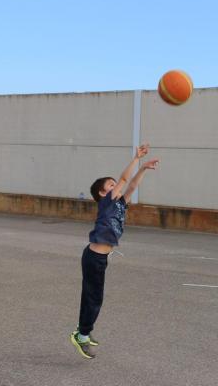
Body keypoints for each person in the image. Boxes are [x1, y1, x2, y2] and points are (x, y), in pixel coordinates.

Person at [70, 144, 159, 359]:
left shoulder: (118, 203)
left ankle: (83, 331)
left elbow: (131, 186)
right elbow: (124, 179)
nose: (116, 186)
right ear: (103, 193)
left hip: (99, 258)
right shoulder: (107, 203)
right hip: (94, 258)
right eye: (111, 185)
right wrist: (136, 158)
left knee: (92, 297)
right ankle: (81, 335)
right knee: (94, 297)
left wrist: (143, 169)